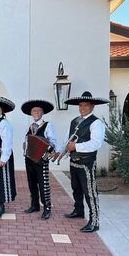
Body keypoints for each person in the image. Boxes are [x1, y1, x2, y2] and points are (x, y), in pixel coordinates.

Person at [61, 91, 109, 232]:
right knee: (76, 189)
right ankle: (79, 211)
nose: (82, 108)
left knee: (90, 192)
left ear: (92, 106)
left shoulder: (96, 123)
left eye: (86, 105)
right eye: (80, 105)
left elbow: (96, 143)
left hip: (87, 163)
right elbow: (66, 140)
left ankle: (94, 221)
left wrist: (76, 146)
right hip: (74, 161)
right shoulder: (74, 121)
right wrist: (60, 151)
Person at [21, 99, 57, 219]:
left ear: (42, 113)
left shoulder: (47, 125)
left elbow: (52, 143)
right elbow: (28, 140)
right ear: (31, 113)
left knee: (43, 184)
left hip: (41, 160)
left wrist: (45, 156)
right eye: (34, 110)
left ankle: (47, 207)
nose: (36, 112)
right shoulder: (30, 126)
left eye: (38, 110)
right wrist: (25, 146)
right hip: (30, 159)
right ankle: (34, 205)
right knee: (32, 183)